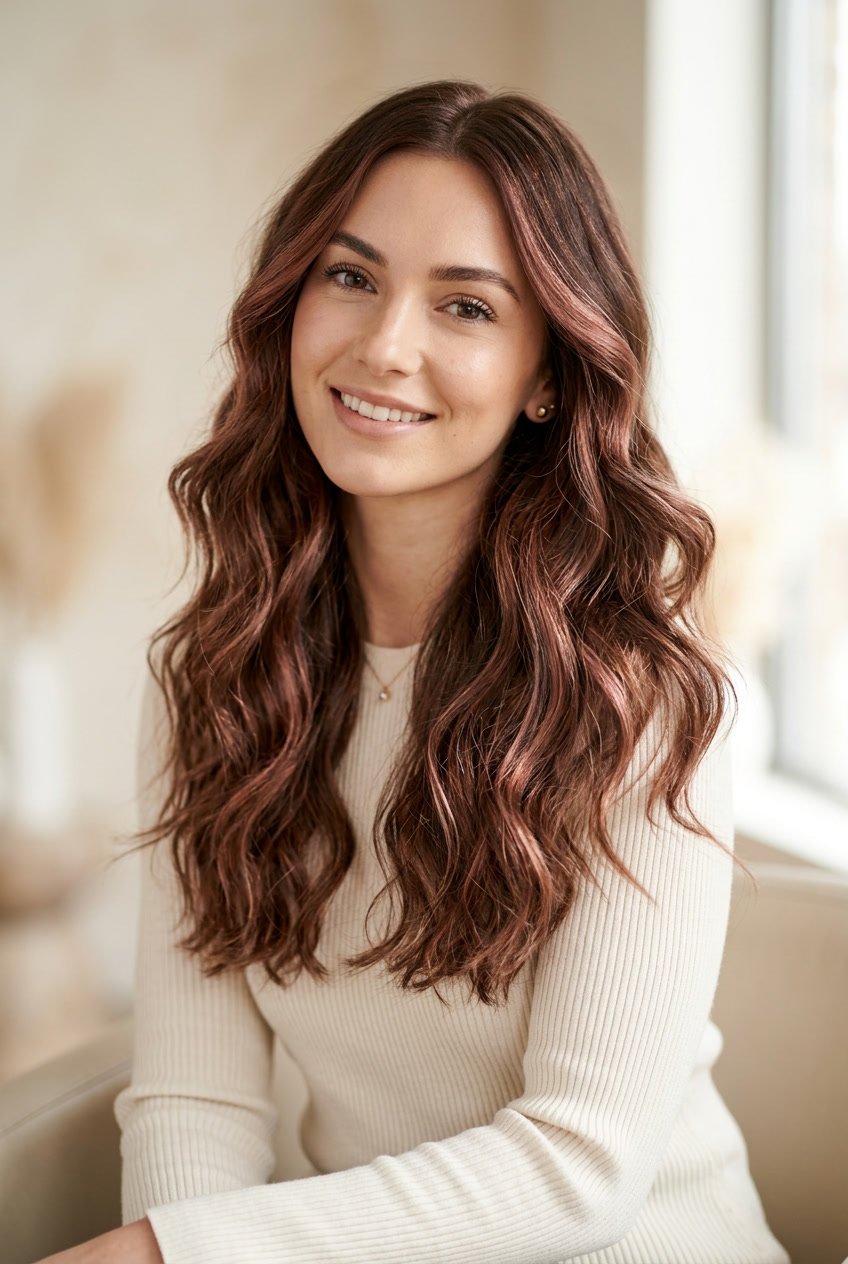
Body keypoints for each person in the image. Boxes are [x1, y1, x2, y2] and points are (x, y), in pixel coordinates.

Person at [36, 79, 789, 1263]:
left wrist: (166, 1254)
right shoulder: (215, 676)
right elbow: (196, 1103)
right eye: (350, 277)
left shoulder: (644, 696)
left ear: (549, 373)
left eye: (466, 308)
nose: (384, 346)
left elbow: (578, 1166)